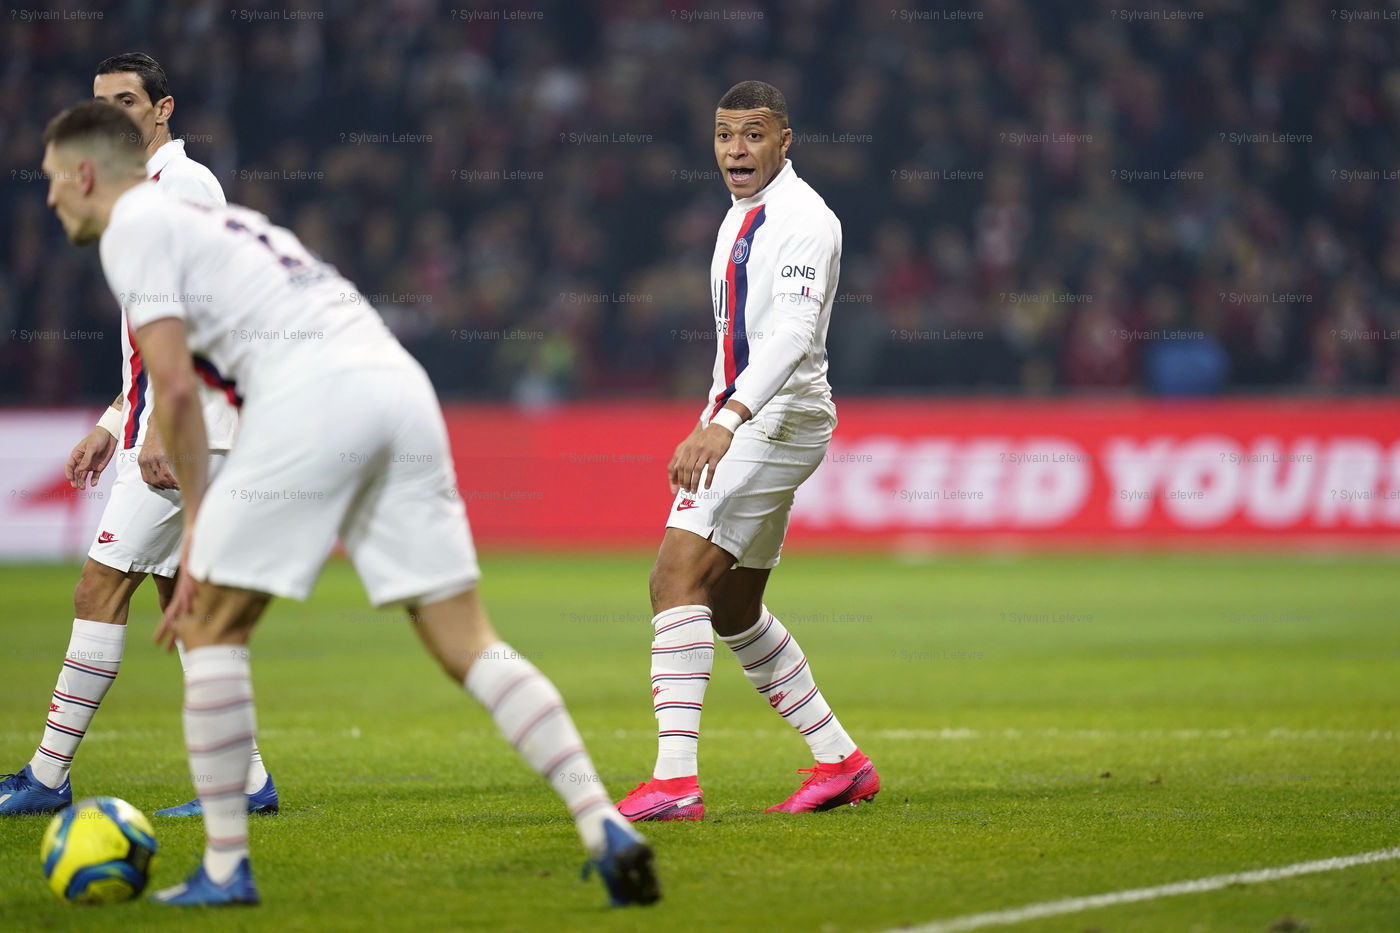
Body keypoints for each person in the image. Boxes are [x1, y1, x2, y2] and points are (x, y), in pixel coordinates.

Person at [39, 100, 660, 909]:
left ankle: (225, 868)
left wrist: (197, 530)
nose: (49, 197)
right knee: (467, 638)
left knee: (210, 624)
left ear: (86, 174)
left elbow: (177, 392)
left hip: (310, 397)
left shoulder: (134, 227)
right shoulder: (222, 223)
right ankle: (601, 820)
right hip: (397, 386)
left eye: (53, 179)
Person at [0, 52, 276, 819]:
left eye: (127, 101)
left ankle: (47, 774)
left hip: (186, 430)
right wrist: (110, 420)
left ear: (163, 109)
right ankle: (246, 780)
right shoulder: (139, 193)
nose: (112, 115)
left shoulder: (182, 185)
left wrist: (156, 425)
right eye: (102, 103)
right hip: (169, 421)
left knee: (99, 586)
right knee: (184, 609)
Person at [617, 81, 879, 822]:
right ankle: (842, 762)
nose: (736, 149)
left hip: (775, 420)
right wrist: (718, 410)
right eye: (725, 134)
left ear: (784, 141)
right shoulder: (741, 214)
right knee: (732, 604)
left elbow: (792, 335)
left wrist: (725, 421)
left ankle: (675, 782)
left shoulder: (805, 219)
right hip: (756, 416)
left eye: (753, 134)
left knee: (674, 579)